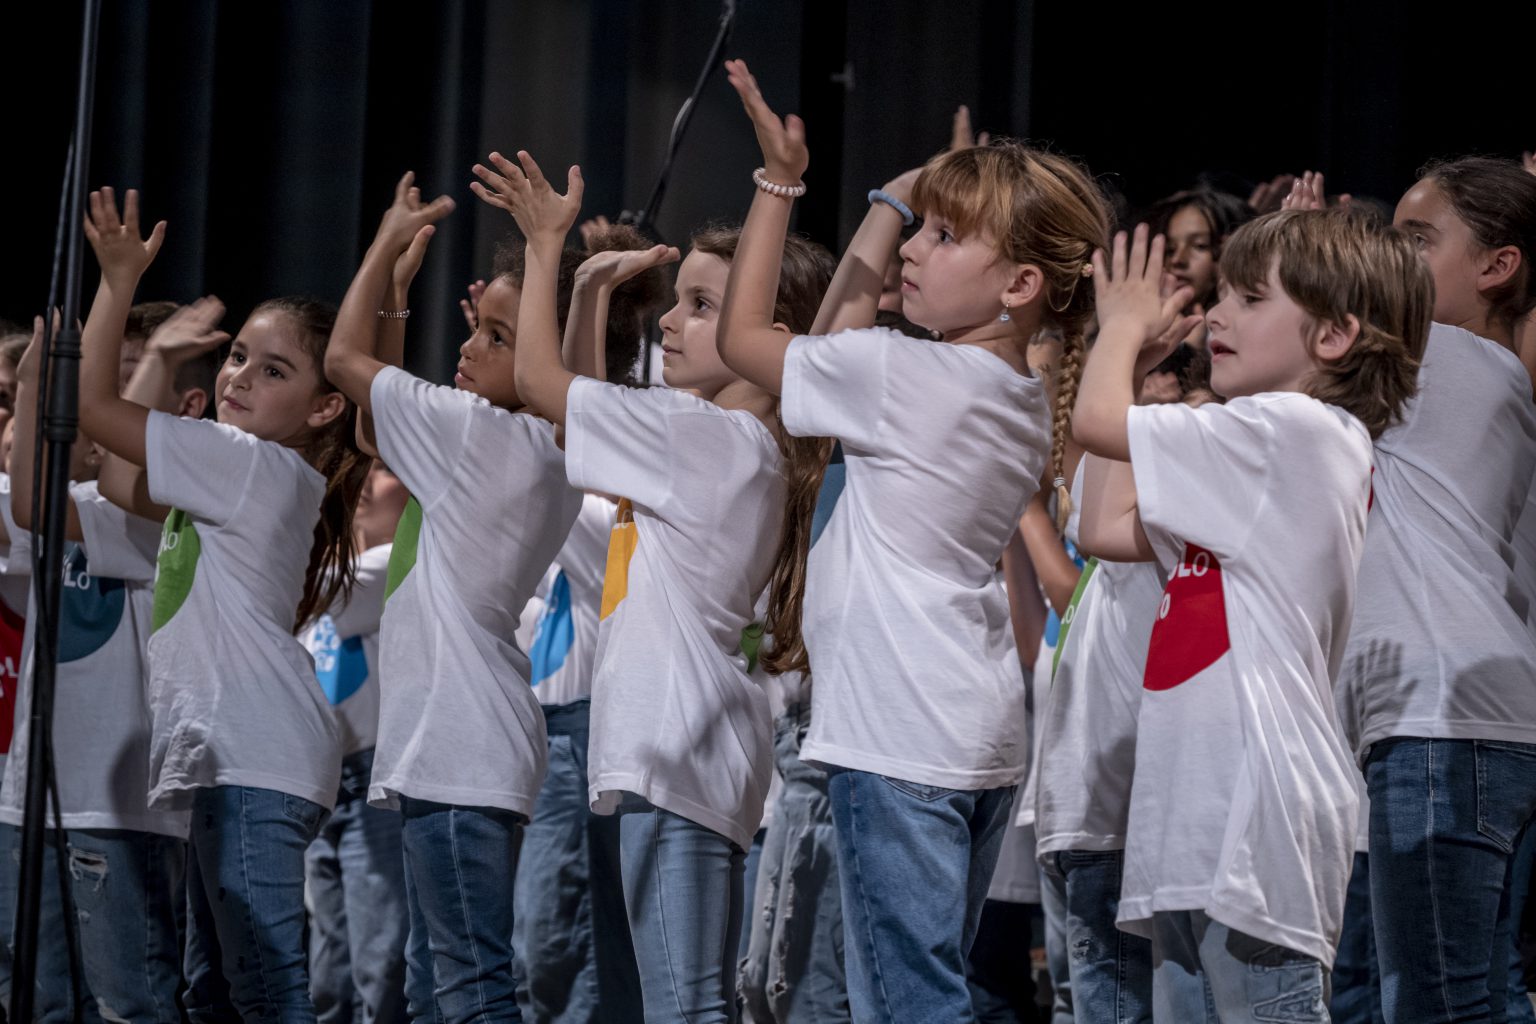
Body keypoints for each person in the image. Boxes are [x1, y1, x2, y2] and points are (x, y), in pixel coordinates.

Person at [716, 59, 1107, 1021]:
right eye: (920, 230)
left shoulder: (907, 378)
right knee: (925, 993)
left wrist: (784, 186)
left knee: (905, 1004)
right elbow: (832, 351)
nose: (913, 252)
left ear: (1020, 283)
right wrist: (899, 208)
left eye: (942, 235)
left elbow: (745, 339)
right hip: (970, 732)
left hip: (899, 737)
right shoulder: (1017, 392)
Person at [1073, 211, 1429, 1021]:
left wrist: (1119, 329)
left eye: (1249, 297)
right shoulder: (1255, 451)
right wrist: (1139, 371)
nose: (1217, 314)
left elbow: (1094, 425)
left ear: (1334, 335)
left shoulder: (1294, 431)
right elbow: (1103, 529)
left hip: (1255, 829)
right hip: (1195, 830)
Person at [76, 187, 368, 1022]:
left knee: (264, 991)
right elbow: (118, 479)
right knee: (215, 993)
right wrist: (162, 361)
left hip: (254, 759)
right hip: (241, 761)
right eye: (237, 355)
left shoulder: (248, 463)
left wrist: (118, 286)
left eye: (273, 370)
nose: (239, 376)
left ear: (324, 407)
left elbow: (93, 411)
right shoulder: (241, 471)